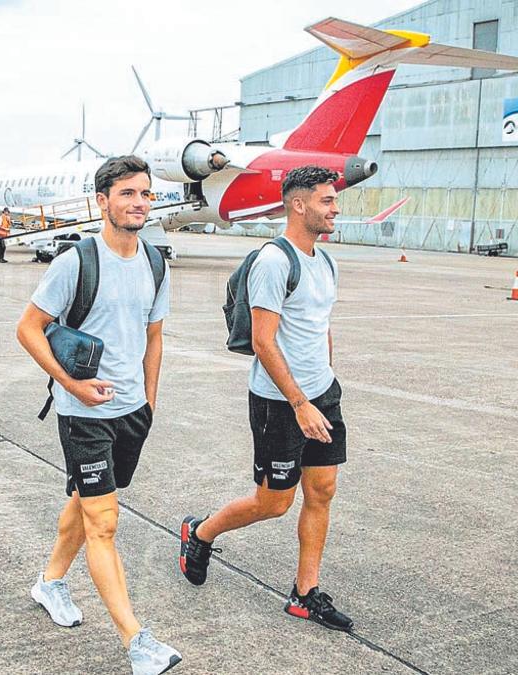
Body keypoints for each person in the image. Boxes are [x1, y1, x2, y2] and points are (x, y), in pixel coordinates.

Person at [15, 156, 180, 675]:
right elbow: (28, 328)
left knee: (84, 505)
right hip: (82, 413)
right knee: (104, 522)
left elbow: (153, 336)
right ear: (102, 200)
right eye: (127, 193)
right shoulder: (76, 263)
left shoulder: (155, 262)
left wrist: (148, 399)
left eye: (146, 194)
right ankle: (137, 642)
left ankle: (50, 582)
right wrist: (71, 385)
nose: (139, 203)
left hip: (132, 412)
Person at [178, 166, 353, 632]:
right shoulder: (274, 262)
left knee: (322, 491)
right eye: (326, 201)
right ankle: (200, 533)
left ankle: (305, 594)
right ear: (299, 205)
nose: (335, 208)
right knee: (274, 502)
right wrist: (299, 402)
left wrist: (324, 385)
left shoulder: (324, 260)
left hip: (322, 395)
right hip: (281, 403)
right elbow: (263, 341)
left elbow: (320, 326)